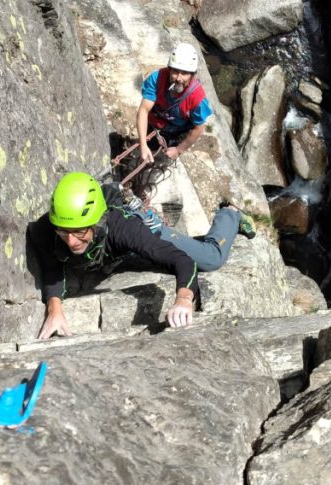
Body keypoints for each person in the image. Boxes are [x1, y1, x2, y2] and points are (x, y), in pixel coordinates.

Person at [27, 172, 255, 339]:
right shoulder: (46, 228)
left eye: (79, 232)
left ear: (96, 222)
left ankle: (230, 215)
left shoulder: (124, 230)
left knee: (210, 257)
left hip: (146, 235)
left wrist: (184, 299)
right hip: (121, 254)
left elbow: (181, 261)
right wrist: (54, 309)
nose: (71, 242)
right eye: (63, 233)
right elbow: (51, 267)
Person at [136, 42, 213, 166]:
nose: (178, 78)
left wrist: (179, 150)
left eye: (185, 73)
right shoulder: (157, 79)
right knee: (151, 145)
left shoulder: (197, 97)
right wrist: (143, 145)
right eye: (175, 71)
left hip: (176, 129)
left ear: (192, 74)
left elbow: (199, 128)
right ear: (169, 69)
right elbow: (144, 110)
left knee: (167, 151)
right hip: (155, 120)